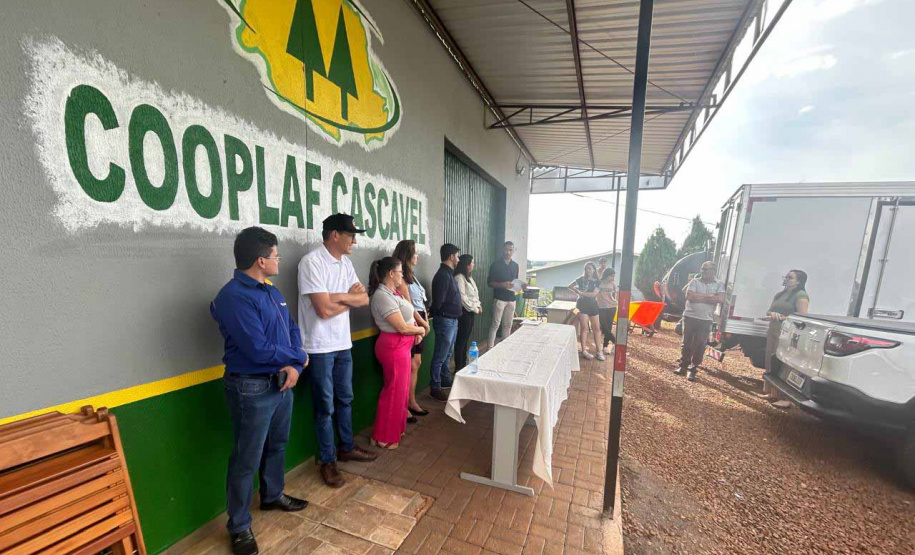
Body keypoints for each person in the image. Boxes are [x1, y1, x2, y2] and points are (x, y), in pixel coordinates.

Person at [210, 227, 309, 555]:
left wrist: (294, 366)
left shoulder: (271, 290)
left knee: (277, 445)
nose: (279, 259)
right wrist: (298, 358)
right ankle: (238, 525)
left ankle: (271, 495)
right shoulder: (232, 297)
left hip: (282, 382)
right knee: (245, 458)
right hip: (251, 388)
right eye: (276, 255)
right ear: (260, 260)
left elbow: (291, 329)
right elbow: (256, 349)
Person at [297, 214, 377, 489]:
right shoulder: (311, 263)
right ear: (334, 235)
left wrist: (337, 296)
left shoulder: (346, 263)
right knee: (324, 406)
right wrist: (347, 298)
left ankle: (346, 446)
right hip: (319, 348)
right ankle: (327, 460)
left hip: (343, 343)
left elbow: (364, 298)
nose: (354, 239)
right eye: (350, 234)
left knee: (345, 398)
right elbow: (322, 309)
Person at [368, 257, 427, 450]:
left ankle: (393, 429)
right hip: (393, 347)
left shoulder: (394, 292)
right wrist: (419, 331)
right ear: (391, 273)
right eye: (400, 272)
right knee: (393, 392)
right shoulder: (381, 295)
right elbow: (400, 326)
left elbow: (407, 320)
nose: (403, 275)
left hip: (403, 345)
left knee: (401, 392)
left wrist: (415, 331)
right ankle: (383, 436)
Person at [392, 240, 430, 420]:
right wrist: (421, 325)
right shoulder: (401, 278)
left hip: (419, 322)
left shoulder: (411, 275)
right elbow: (407, 306)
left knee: (416, 364)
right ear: (407, 255)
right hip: (411, 323)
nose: (417, 256)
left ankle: (411, 401)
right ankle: (404, 405)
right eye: (414, 253)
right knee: (409, 366)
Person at [761, 270, 810, 408]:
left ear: (799, 281)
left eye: (790, 278)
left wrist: (781, 317)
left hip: (788, 334)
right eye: (786, 277)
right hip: (774, 330)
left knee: (784, 364)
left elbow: (801, 317)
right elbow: (769, 311)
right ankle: (772, 393)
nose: (787, 279)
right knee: (771, 360)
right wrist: (773, 314)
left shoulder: (801, 296)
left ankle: (786, 398)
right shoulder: (780, 294)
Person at [676, 261, 724, 381]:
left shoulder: (719, 284)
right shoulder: (695, 281)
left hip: (706, 319)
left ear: (713, 271)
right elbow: (690, 297)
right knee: (686, 343)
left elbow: (720, 299)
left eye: (705, 270)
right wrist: (709, 296)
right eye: (702, 269)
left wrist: (700, 296)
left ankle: (693, 369)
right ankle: (683, 366)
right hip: (690, 317)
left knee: (700, 345)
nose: (702, 272)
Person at [429, 243, 462, 402]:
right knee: (440, 355)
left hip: (452, 320)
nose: (458, 258)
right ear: (451, 256)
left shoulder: (448, 273)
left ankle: (444, 379)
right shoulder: (443, 275)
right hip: (445, 320)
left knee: (448, 353)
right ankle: (435, 386)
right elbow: (438, 302)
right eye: (457, 255)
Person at [487, 241, 522, 349]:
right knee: (495, 325)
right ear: (503, 249)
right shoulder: (495, 265)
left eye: (510, 250)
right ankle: (490, 349)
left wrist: (521, 286)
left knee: (508, 326)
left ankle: (504, 349)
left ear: (513, 251)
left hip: (511, 299)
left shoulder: (515, 266)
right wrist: (502, 284)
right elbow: (490, 283)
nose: (508, 252)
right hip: (499, 299)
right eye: (506, 249)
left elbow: (515, 282)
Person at [569, 262, 604, 361]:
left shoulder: (597, 281)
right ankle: (584, 350)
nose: (587, 270)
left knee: (596, 328)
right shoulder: (580, 279)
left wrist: (580, 292)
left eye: (589, 268)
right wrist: (577, 292)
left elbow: (593, 294)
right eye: (586, 269)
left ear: (594, 270)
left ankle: (599, 351)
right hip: (581, 305)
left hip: (593, 305)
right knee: (584, 327)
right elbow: (570, 286)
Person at [454, 254, 483, 371]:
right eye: (472, 262)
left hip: (471, 312)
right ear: (466, 264)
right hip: (464, 313)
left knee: (466, 339)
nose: (473, 264)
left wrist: (478, 305)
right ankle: (458, 367)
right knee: (461, 340)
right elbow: (462, 298)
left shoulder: (469, 277)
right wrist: (476, 308)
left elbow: (475, 294)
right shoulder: (459, 277)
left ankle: (463, 364)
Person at [597, 268, 618, 356]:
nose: (613, 278)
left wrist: (616, 300)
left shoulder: (612, 284)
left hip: (612, 306)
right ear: (606, 275)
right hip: (601, 307)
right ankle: (615, 341)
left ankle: (605, 346)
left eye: (614, 276)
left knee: (608, 327)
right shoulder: (599, 283)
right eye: (611, 276)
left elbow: (617, 292)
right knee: (604, 326)